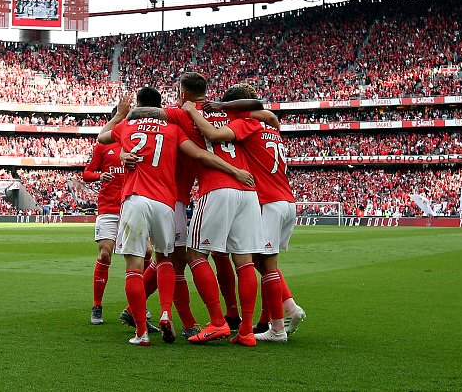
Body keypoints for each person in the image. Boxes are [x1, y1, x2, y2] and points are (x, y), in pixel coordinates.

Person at [99, 87, 254, 346]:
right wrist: (235, 170)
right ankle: (180, 317)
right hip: (171, 200)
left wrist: (122, 123)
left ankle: (142, 323)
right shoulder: (177, 123)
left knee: (155, 261)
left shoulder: (134, 125)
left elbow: (104, 137)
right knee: (174, 259)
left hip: (144, 197)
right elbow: (200, 152)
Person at [187, 83, 307, 342]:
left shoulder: (245, 124)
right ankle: (270, 319)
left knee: (261, 264)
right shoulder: (268, 124)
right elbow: (269, 115)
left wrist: (199, 110)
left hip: (266, 199)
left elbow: (215, 135)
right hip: (285, 198)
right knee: (260, 263)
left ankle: (281, 321)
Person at [82, 104, 128, 326]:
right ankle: (97, 305)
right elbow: (87, 173)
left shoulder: (136, 142)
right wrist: (99, 176)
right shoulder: (103, 146)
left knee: (145, 254)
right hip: (109, 208)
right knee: (105, 255)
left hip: (131, 207)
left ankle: (137, 304)